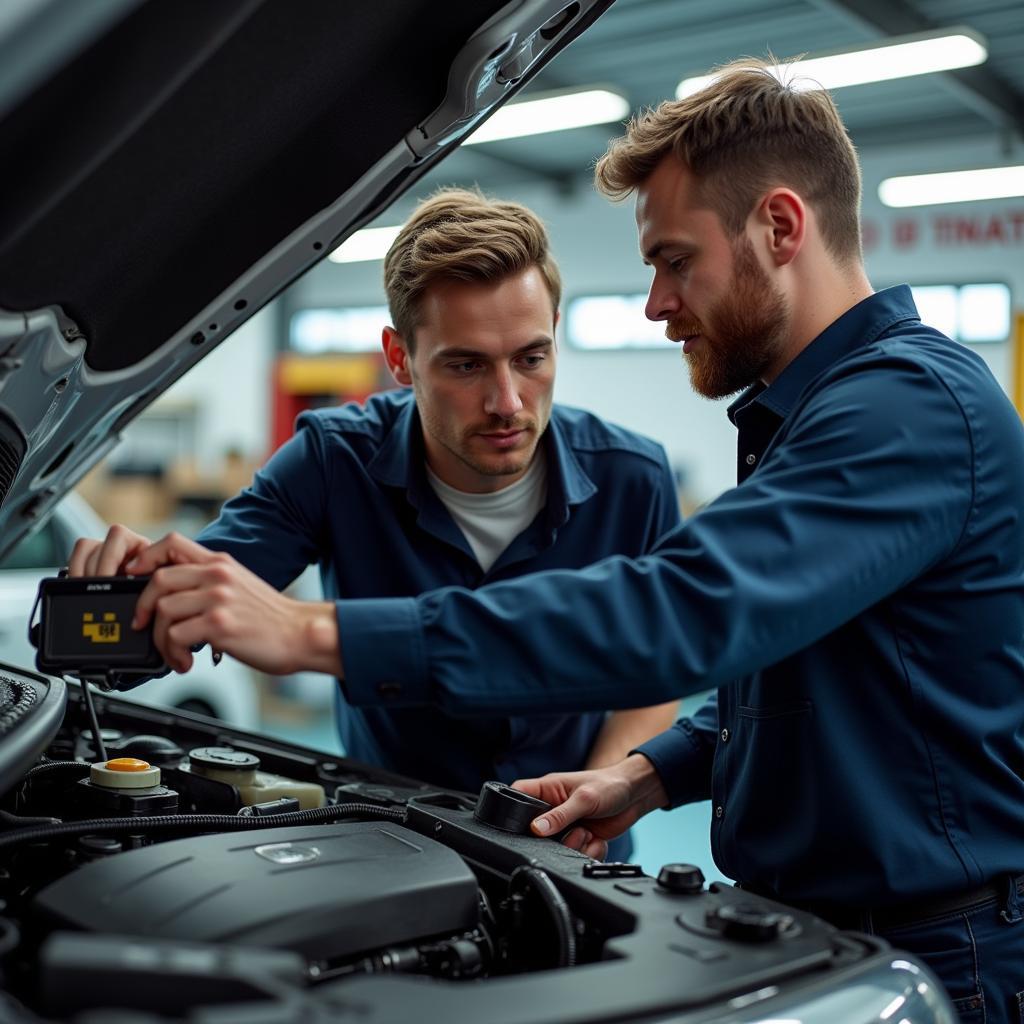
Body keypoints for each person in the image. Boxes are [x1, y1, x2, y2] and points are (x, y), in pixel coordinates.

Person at [78, 64, 1024, 1019]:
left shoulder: (905, 410)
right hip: (793, 920)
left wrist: (316, 634)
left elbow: (683, 615)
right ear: (403, 358)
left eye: (674, 260)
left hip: (935, 947)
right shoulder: (809, 417)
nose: (656, 303)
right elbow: (798, 678)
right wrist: (648, 774)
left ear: (780, 227)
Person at [69, 188, 680, 860]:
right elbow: (190, 601)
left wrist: (604, 786)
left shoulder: (635, 480)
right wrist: (115, 605)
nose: (507, 402)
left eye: (531, 358)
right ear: (399, 358)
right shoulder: (333, 462)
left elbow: (658, 672)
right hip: (385, 845)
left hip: (578, 854)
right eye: (466, 364)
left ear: (556, 334)